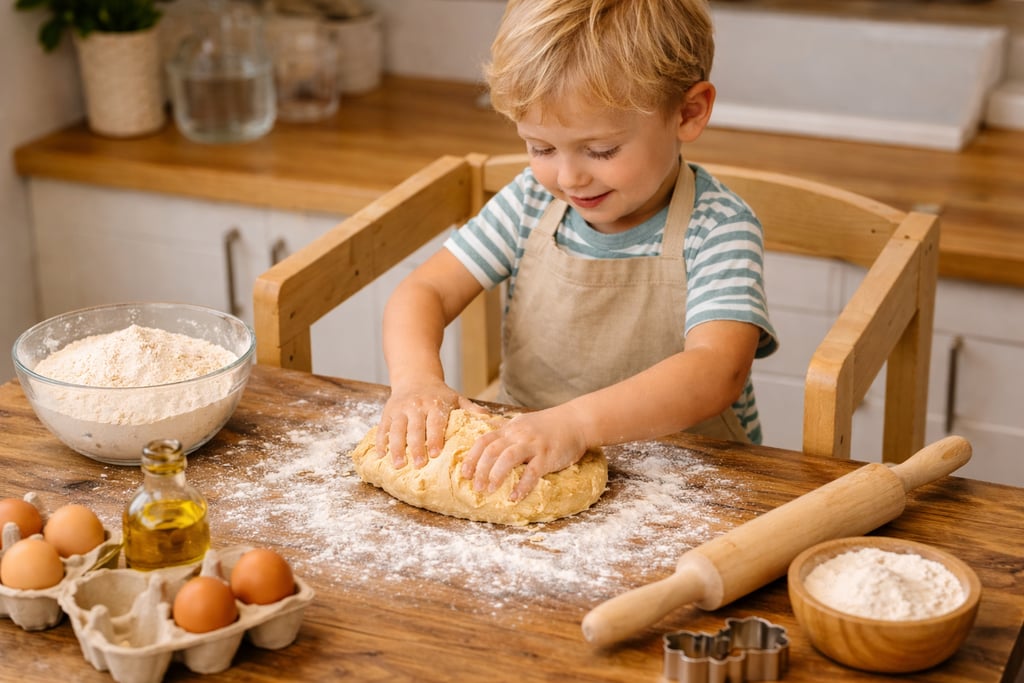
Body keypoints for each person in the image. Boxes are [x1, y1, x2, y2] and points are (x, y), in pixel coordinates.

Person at [375, 0, 778, 502]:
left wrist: (576, 424)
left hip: (689, 481)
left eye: (601, 151)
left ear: (688, 113)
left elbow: (718, 370)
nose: (568, 178)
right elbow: (425, 290)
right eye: (541, 148)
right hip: (530, 463)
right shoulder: (531, 201)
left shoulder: (718, 226)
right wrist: (416, 382)